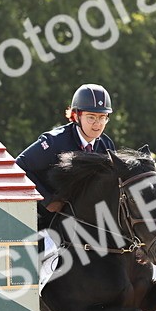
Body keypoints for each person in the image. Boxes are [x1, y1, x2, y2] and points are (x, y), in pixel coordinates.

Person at [15, 83, 116, 230]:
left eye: (102, 117)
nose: (97, 124)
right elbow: (19, 166)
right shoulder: (54, 142)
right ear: (76, 116)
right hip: (46, 219)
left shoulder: (107, 145)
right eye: (91, 117)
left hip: (85, 222)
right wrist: (48, 200)